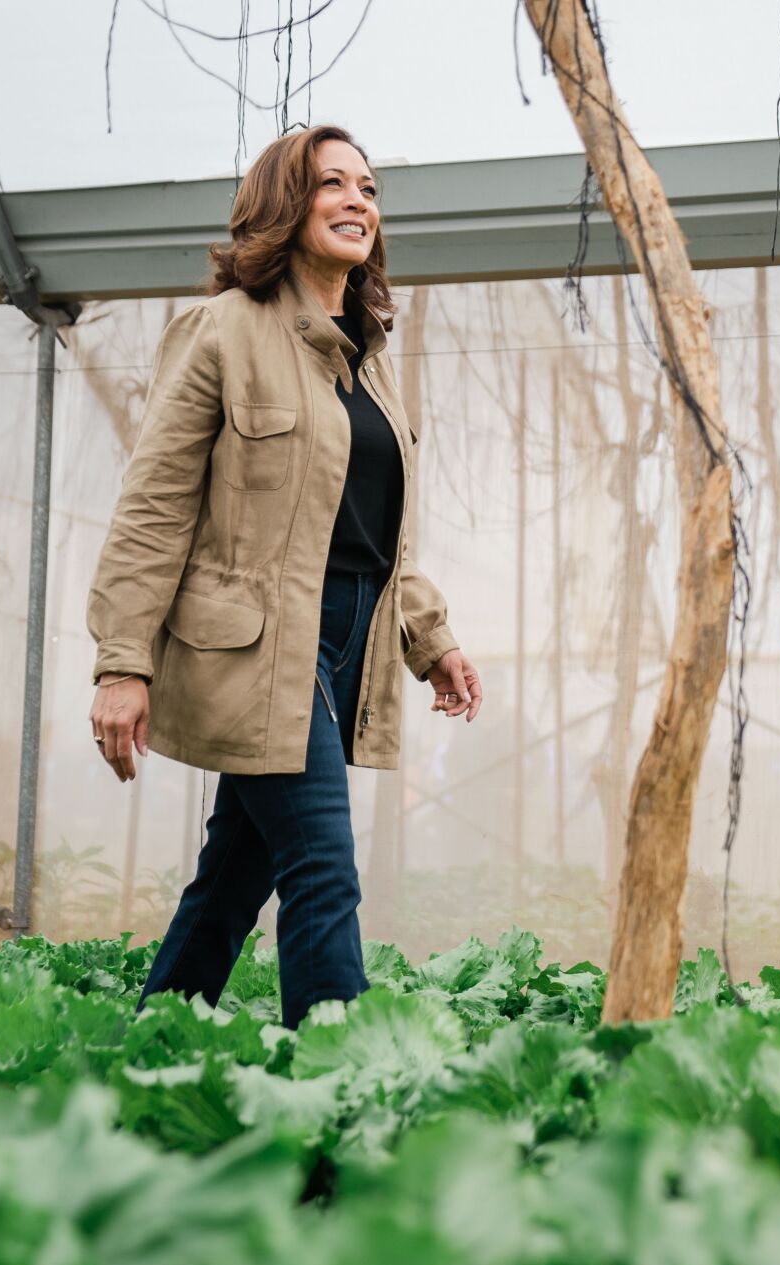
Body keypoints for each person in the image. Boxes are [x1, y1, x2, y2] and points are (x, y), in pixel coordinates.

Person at [86, 125, 484, 1028]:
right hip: (256, 646)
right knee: (323, 870)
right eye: (331, 184)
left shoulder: (369, 357)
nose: (358, 201)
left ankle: (149, 1054)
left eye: (370, 189)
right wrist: (122, 663)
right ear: (283, 205)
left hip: (348, 643)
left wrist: (434, 639)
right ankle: (341, 1097)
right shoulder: (222, 331)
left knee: (233, 877)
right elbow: (154, 507)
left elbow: (386, 537)